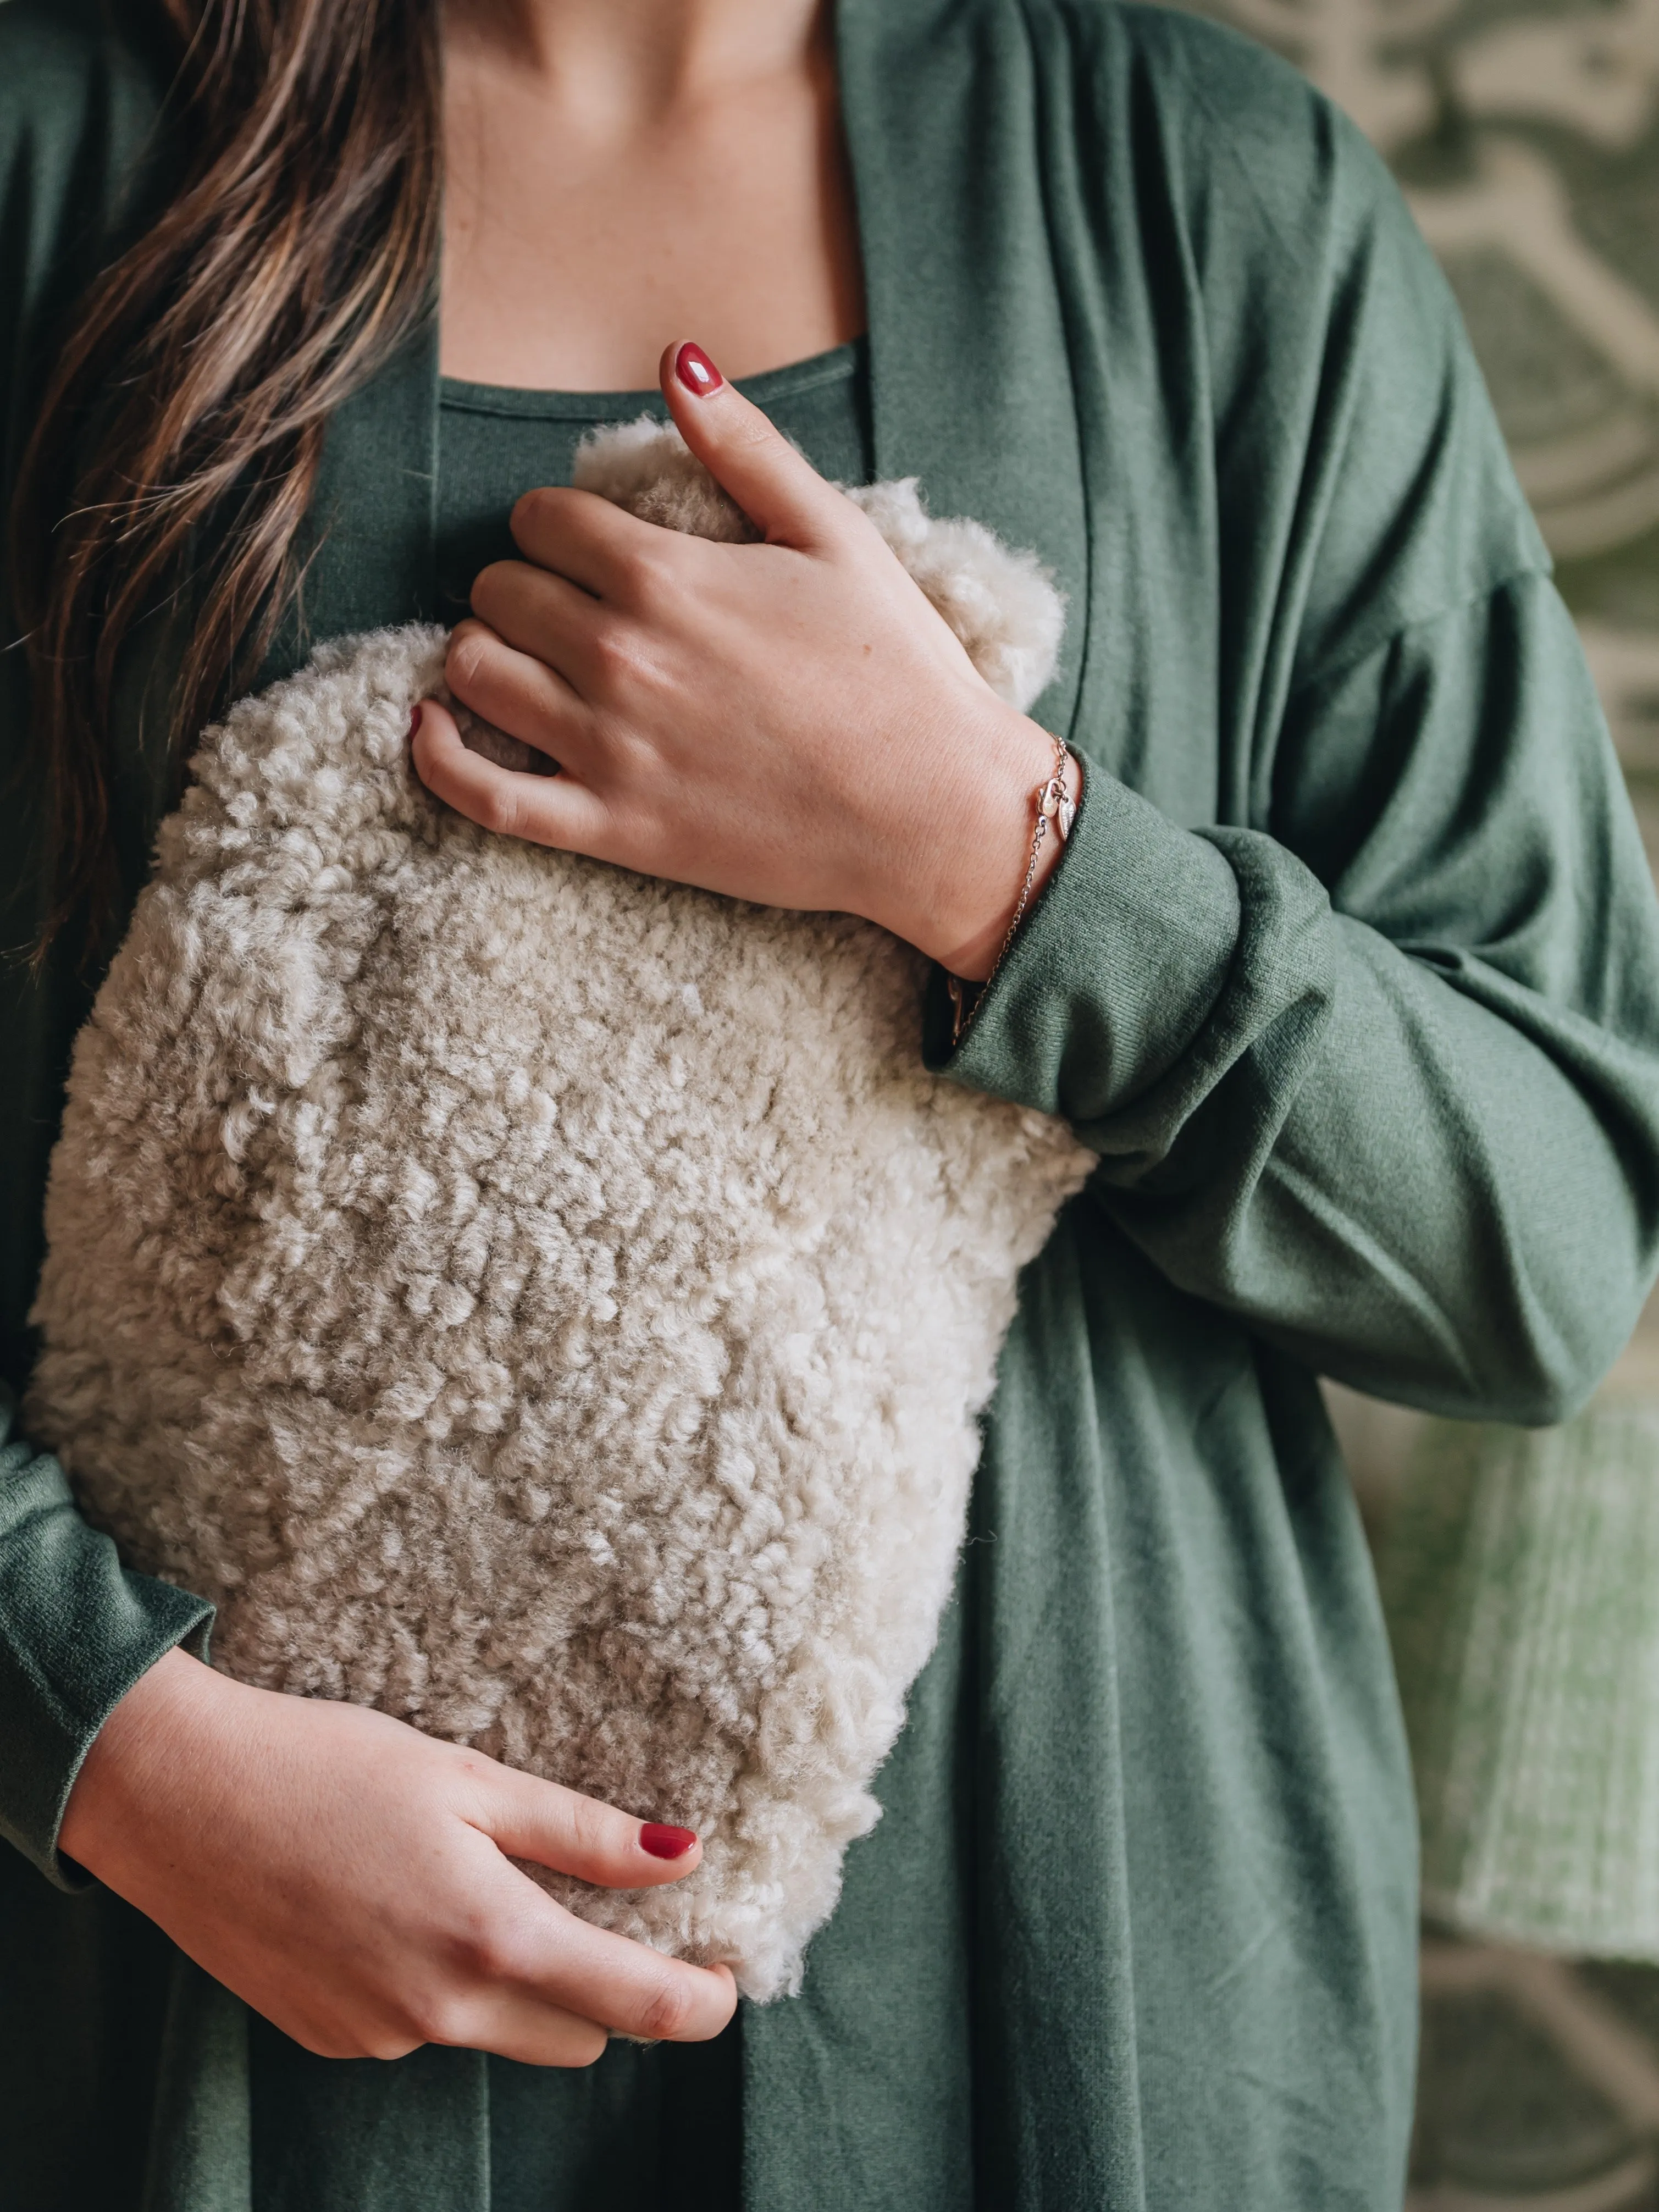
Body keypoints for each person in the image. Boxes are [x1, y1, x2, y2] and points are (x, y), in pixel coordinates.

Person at [3, 0, 1656, 2205]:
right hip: (200, 2050)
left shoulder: (1220, 200)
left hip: (1086, 2032)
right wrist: (97, 1734)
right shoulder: (54, 157)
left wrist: (1009, 860)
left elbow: (1544, 1244)